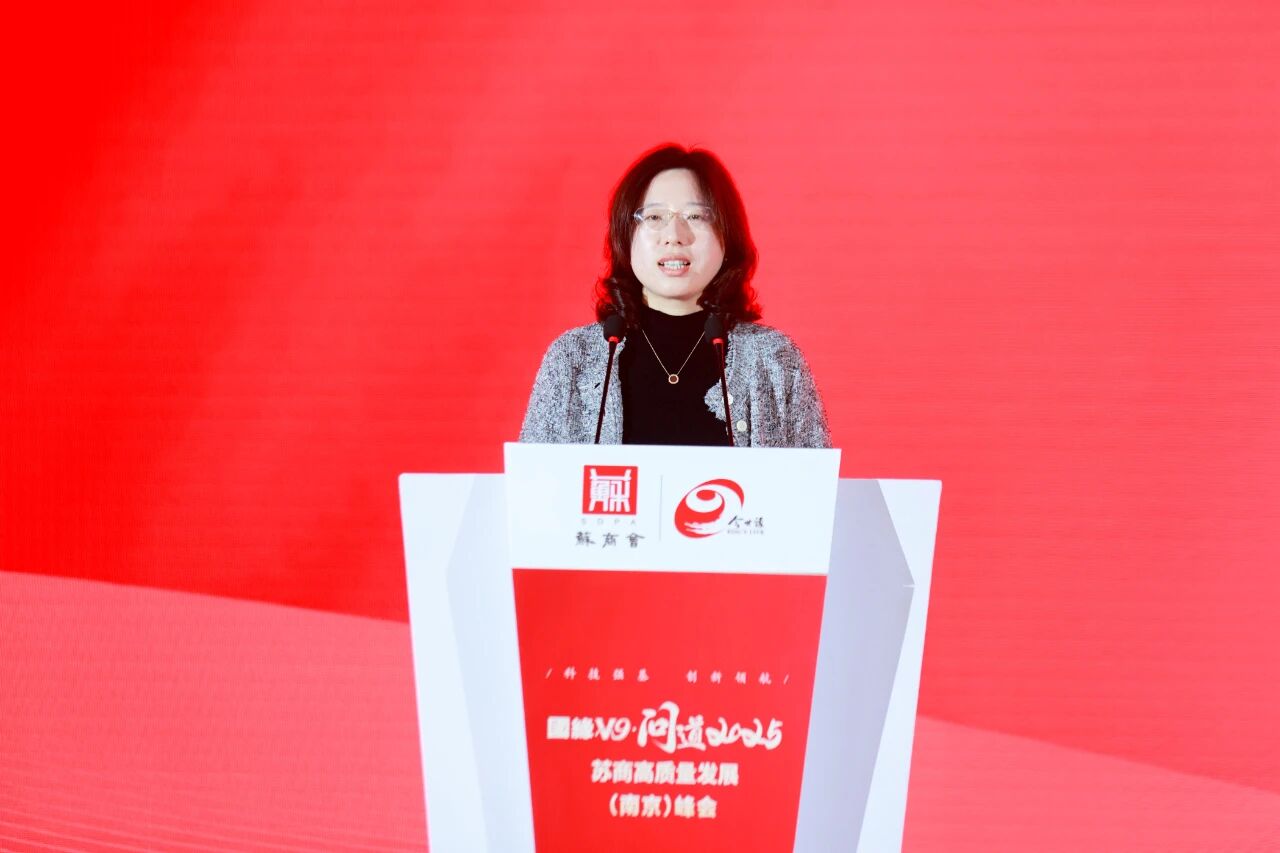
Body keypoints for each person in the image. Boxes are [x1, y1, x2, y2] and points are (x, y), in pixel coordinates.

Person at [519, 144, 829, 448]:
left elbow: (813, 478)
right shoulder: (573, 358)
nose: (674, 236)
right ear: (625, 237)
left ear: (727, 237)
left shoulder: (774, 359)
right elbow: (533, 477)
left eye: (696, 217)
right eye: (654, 217)